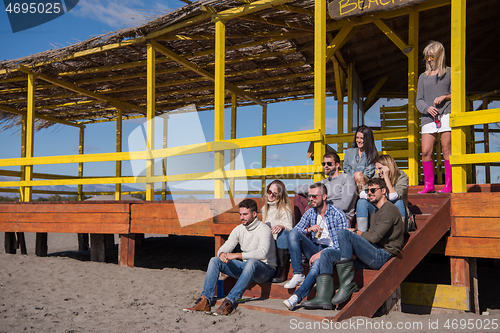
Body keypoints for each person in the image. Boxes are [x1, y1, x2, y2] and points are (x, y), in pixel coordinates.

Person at [308, 177, 404, 308]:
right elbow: (372, 238)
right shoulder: (376, 210)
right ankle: (323, 297)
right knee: (327, 254)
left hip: (382, 256)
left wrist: (355, 231)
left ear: (383, 191)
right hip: (373, 251)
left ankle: (347, 284)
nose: (369, 193)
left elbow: (374, 237)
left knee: (344, 232)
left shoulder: (389, 210)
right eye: (367, 190)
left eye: (373, 190)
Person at [182, 199, 276, 316]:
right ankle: (205, 300)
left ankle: (230, 300)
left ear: (254, 214)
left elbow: (262, 253)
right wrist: (222, 254)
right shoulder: (239, 229)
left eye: (245, 214)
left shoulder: (264, 229)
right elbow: (225, 246)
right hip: (246, 268)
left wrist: (236, 255)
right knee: (215, 260)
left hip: (265, 270)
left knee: (251, 262)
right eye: (240, 214)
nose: (242, 217)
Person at [282, 183, 349, 310]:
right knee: (294, 233)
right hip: (315, 247)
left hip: (332, 251)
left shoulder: (338, 214)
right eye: (309, 196)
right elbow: (295, 231)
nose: (310, 199)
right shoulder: (310, 212)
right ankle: (298, 273)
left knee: (317, 263)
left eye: (314, 196)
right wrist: (308, 229)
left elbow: (342, 244)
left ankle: (296, 297)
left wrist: (321, 254)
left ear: (324, 196)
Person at [416, 41, 452, 193]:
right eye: (427, 57)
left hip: (446, 114)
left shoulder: (449, 72)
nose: (429, 60)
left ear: (439, 56)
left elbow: (458, 94)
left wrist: (444, 97)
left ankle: (449, 185)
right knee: (426, 152)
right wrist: (427, 108)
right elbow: (419, 100)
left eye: (431, 56)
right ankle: (429, 185)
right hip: (428, 118)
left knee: (446, 149)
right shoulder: (422, 77)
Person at [294, 151, 357, 224]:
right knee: (298, 197)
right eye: (324, 164)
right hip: (322, 213)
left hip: (340, 216)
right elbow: (296, 189)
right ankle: (299, 227)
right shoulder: (324, 182)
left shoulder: (347, 179)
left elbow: (344, 205)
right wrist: (312, 190)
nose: (326, 166)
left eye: (329, 164)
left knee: (311, 208)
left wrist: (321, 207)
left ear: (337, 165)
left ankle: (307, 230)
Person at [355, 154, 408, 232]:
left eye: (380, 168)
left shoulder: (401, 176)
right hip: (380, 211)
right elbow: (362, 193)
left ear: (388, 167)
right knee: (362, 202)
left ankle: (400, 235)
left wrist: (386, 177)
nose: (378, 172)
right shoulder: (377, 176)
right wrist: (377, 195)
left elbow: (394, 196)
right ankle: (361, 234)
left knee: (398, 202)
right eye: (377, 169)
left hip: (394, 212)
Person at [262, 180, 293, 283]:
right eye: (269, 191)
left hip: (281, 242)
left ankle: (281, 268)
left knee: (283, 234)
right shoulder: (264, 209)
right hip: (269, 241)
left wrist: (282, 226)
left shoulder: (285, 209)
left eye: (274, 193)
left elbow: (291, 229)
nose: (271, 195)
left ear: (280, 195)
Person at [343, 125, 378, 192]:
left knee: (358, 175)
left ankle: (362, 198)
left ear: (367, 139)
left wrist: (356, 177)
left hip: (366, 184)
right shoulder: (348, 152)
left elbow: (368, 174)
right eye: (357, 137)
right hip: (350, 183)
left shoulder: (372, 154)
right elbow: (346, 170)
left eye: (362, 138)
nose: (359, 141)